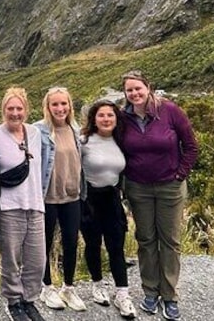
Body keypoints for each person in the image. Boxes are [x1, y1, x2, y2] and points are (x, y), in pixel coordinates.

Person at [117, 70, 198, 321]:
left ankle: (170, 295)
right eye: (130, 90)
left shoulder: (170, 111)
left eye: (138, 88)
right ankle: (150, 291)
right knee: (146, 239)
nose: (134, 94)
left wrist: (180, 174)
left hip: (169, 187)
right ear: (126, 93)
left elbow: (191, 146)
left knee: (170, 240)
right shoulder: (123, 118)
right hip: (138, 187)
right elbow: (117, 147)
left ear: (148, 87)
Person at [0, 87, 46, 321]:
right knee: (11, 258)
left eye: (19, 108)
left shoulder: (35, 134)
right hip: (8, 206)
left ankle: (29, 300)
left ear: (26, 110)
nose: (15, 113)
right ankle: (13, 302)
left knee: (37, 259)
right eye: (10, 108)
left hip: (35, 204)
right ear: (3, 110)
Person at [79, 99, 136, 319]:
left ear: (116, 118)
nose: (106, 119)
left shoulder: (120, 141)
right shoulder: (84, 141)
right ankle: (97, 283)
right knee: (93, 243)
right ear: (94, 118)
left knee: (116, 246)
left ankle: (122, 293)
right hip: (90, 199)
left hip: (112, 197)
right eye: (101, 115)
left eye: (110, 115)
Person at [33, 87, 86, 312]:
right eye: (55, 104)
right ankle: (46, 287)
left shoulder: (76, 130)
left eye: (63, 104)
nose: (60, 108)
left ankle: (68, 287)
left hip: (72, 196)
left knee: (71, 242)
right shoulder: (38, 130)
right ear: (47, 107)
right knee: (44, 243)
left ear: (69, 106)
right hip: (48, 197)